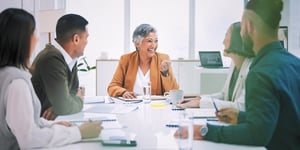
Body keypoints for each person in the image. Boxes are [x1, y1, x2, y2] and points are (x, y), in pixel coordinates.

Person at [175, 0, 300, 149]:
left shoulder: (260, 72)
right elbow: (283, 120)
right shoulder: (294, 63)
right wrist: (241, 117)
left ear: (249, 26)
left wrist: (205, 131)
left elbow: (257, 134)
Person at [0, 8, 101, 150]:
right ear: (22, 39)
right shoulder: (17, 82)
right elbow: (29, 138)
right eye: (33, 32)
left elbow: (25, 123)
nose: (36, 38)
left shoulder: (7, 74)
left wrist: (52, 123)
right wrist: (79, 132)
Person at [177, 22, 254, 111]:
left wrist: (200, 103)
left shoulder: (251, 69)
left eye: (226, 35)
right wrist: (200, 99)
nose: (223, 41)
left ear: (237, 40)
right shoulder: (234, 65)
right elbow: (224, 95)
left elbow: (241, 107)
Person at [30, 14, 89, 120]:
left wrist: (60, 107)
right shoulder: (51, 59)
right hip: (39, 127)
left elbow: (72, 93)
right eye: (86, 37)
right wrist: (78, 100)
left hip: (53, 122)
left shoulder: (70, 58)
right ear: (76, 39)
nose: (87, 42)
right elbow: (65, 105)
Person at [107, 24, 179, 99]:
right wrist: (123, 92)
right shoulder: (126, 59)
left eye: (156, 41)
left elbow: (175, 93)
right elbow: (112, 87)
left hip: (154, 106)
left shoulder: (163, 59)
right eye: (149, 41)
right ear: (137, 43)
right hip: (130, 104)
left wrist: (165, 73)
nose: (154, 45)